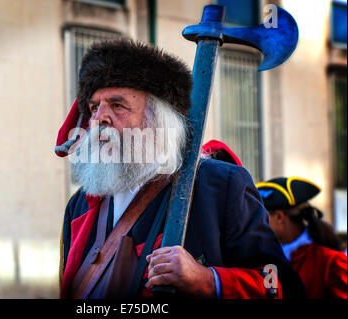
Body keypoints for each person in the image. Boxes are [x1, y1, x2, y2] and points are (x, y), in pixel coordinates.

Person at [56, 39, 304, 299]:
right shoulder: (80, 205)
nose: (99, 119)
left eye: (117, 105)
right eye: (94, 107)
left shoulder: (222, 185)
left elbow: (282, 284)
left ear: (156, 119)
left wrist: (210, 280)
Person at [257, 176, 347, 299]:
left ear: (279, 217)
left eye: (261, 216)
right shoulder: (265, 257)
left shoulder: (331, 262)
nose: (256, 223)